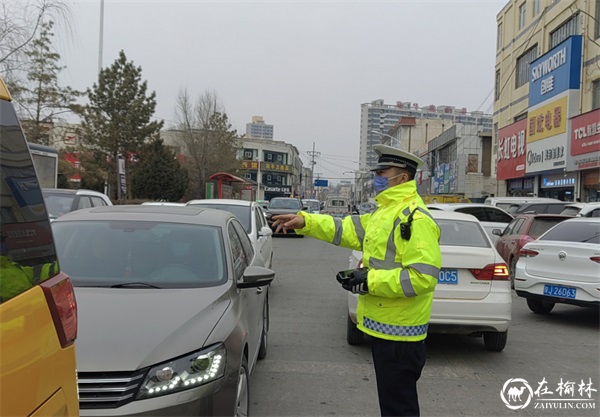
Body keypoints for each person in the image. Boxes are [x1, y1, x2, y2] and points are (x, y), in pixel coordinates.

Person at [272, 144, 441, 417]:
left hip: (401, 334)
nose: (377, 178)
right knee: (392, 405)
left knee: (399, 408)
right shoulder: (384, 213)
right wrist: (306, 222)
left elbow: (423, 278)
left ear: (403, 178)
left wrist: (370, 280)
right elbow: (345, 228)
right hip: (386, 329)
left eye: (383, 172)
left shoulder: (414, 218)